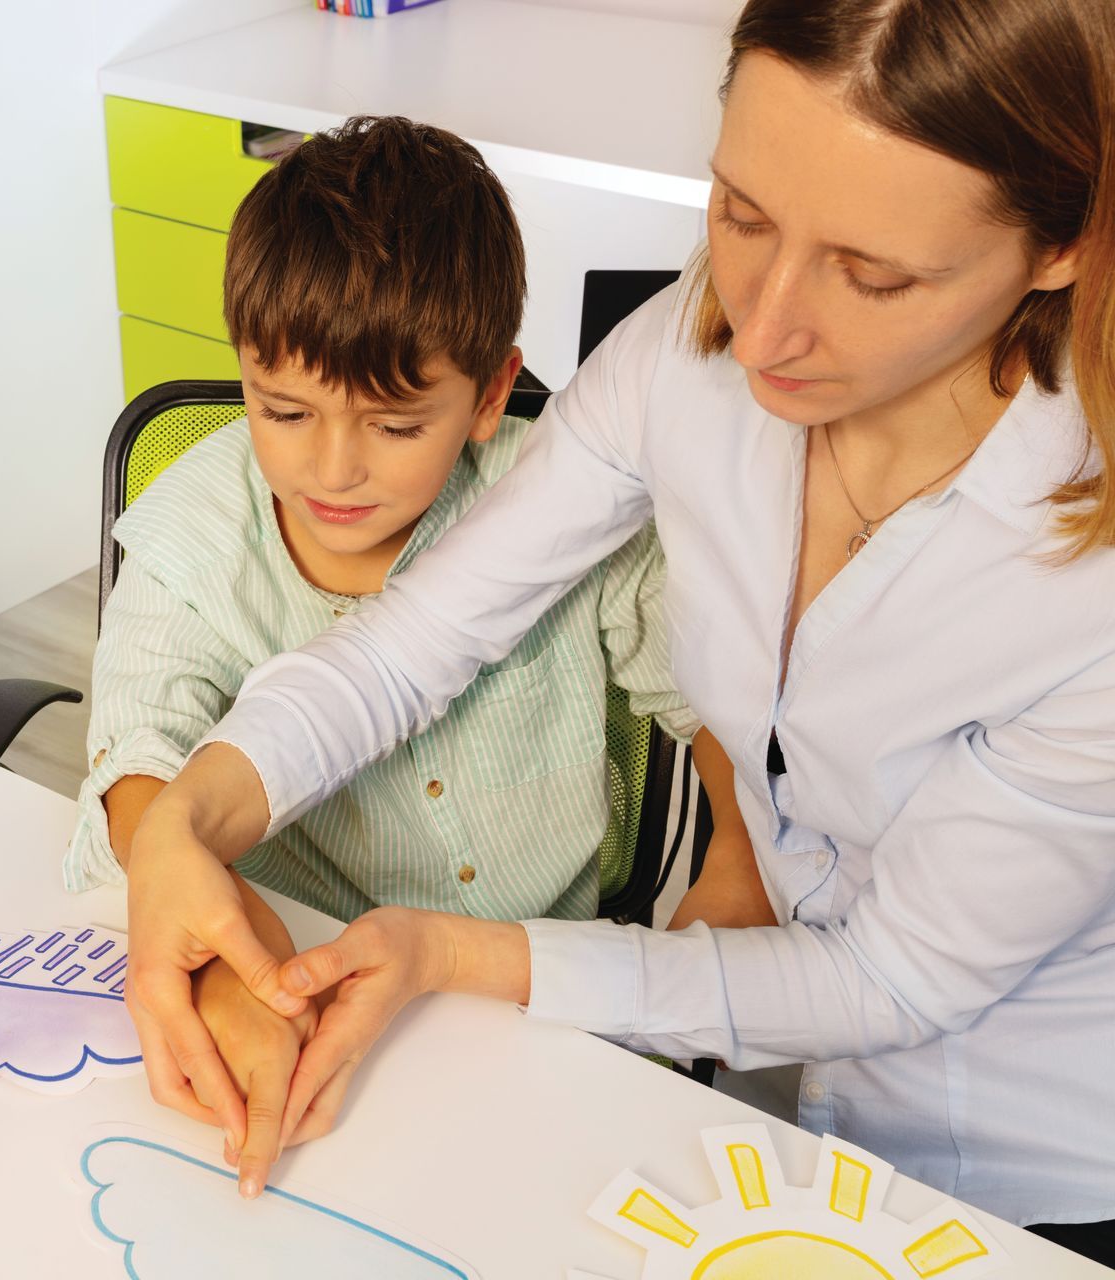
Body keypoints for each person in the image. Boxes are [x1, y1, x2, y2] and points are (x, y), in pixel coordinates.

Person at [121, 0, 1115, 1258]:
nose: (757, 330)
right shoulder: (684, 360)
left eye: (874, 276)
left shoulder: (1086, 588)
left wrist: (459, 954)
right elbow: (415, 637)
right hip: (808, 1106)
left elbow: (892, 980)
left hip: (1043, 1161)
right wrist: (190, 817)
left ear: (1061, 246)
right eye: (741, 214)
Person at [71, 116, 758, 1175]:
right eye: (283, 408)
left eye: (394, 426)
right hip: (298, 968)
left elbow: (710, 700)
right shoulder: (196, 528)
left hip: (525, 984)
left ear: (490, 395)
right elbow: (135, 749)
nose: (333, 467)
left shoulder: (566, 503)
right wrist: (216, 946)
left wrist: (739, 857)